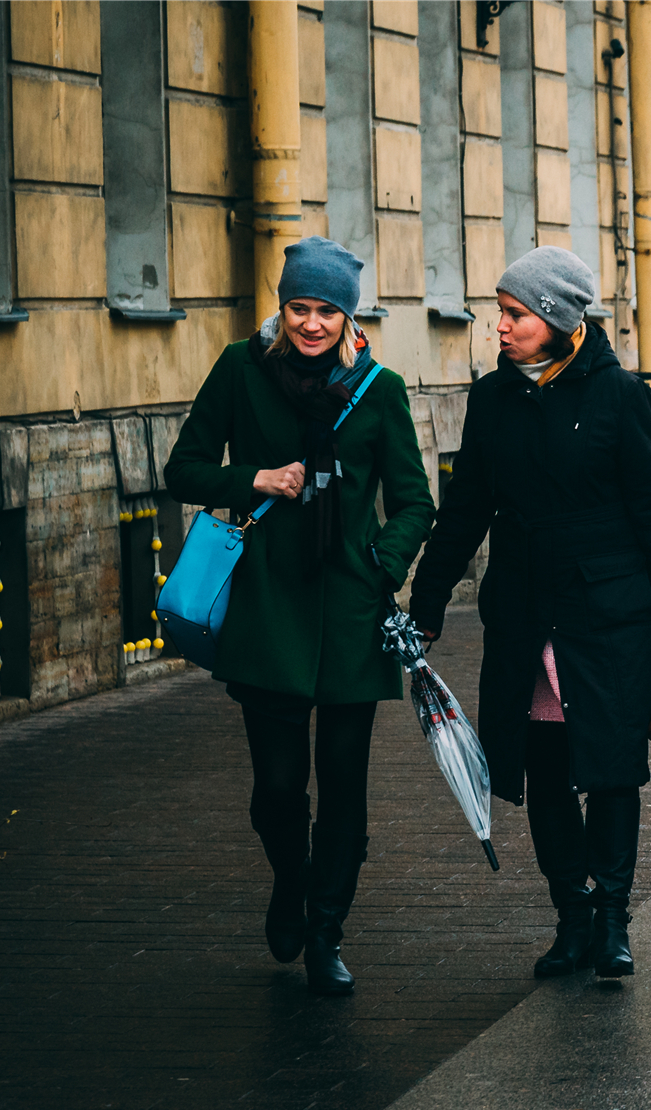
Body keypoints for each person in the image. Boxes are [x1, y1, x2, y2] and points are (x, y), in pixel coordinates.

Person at [408, 245, 651, 982]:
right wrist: (427, 600)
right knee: (544, 772)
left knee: (608, 771)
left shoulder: (618, 396)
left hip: (605, 615)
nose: (500, 328)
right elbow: (466, 510)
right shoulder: (490, 398)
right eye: (501, 314)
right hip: (523, 615)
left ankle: (613, 919)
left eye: (514, 315)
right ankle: (570, 917)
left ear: (556, 319)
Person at [163, 236, 436, 996]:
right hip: (268, 606)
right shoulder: (240, 371)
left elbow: (415, 501)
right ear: (281, 307)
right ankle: (291, 878)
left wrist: (382, 565)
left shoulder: (378, 390)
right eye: (299, 307)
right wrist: (253, 477)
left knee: (344, 784)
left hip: (351, 610)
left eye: (327, 310)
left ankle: (326, 930)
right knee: (277, 788)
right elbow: (181, 468)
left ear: (350, 317)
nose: (311, 324)